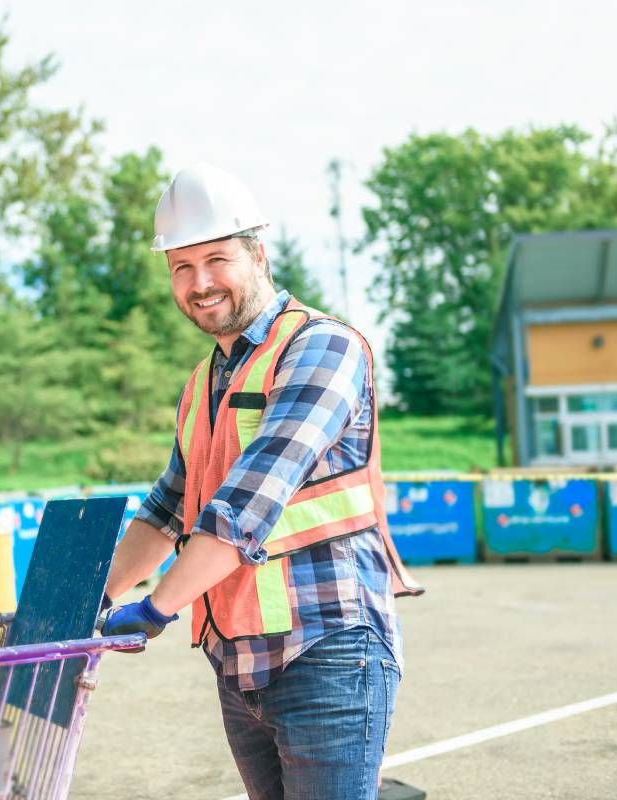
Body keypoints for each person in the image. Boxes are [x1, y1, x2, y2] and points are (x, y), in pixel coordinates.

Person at [101, 163, 423, 800]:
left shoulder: (321, 348)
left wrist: (155, 608)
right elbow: (166, 511)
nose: (200, 284)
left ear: (258, 255)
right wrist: (89, 597)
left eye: (216, 260)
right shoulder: (204, 381)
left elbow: (246, 507)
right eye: (181, 269)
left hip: (325, 650)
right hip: (239, 664)